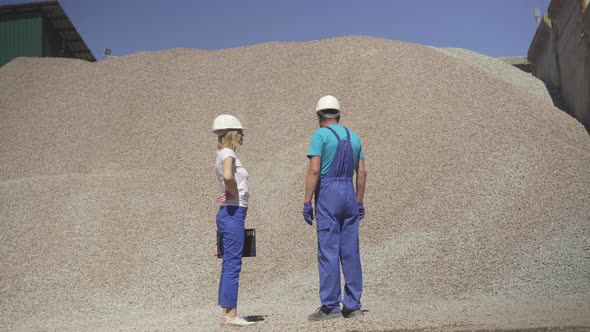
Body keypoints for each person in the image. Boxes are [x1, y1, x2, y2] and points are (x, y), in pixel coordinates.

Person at [302, 95, 367, 321]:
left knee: (328, 251)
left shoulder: (320, 135)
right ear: (339, 114)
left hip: (329, 194)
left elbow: (314, 171)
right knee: (350, 251)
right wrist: (359, 202)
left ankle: (330, 306)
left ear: (319, 116)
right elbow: (363, 172)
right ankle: (353, 305)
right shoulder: (355, 137)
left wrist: (307, 200)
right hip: (349, 193)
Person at [212, 114, 256, 327]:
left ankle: (227, 313)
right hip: (233, 213)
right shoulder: (228, 153)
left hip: (230, 213)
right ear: (232, 133)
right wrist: (232, 193)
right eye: (240, 131)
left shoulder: (222, 153)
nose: (242, 134)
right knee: (233, 264)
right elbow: (229, 177)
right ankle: (230, 316)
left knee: (230, 263)